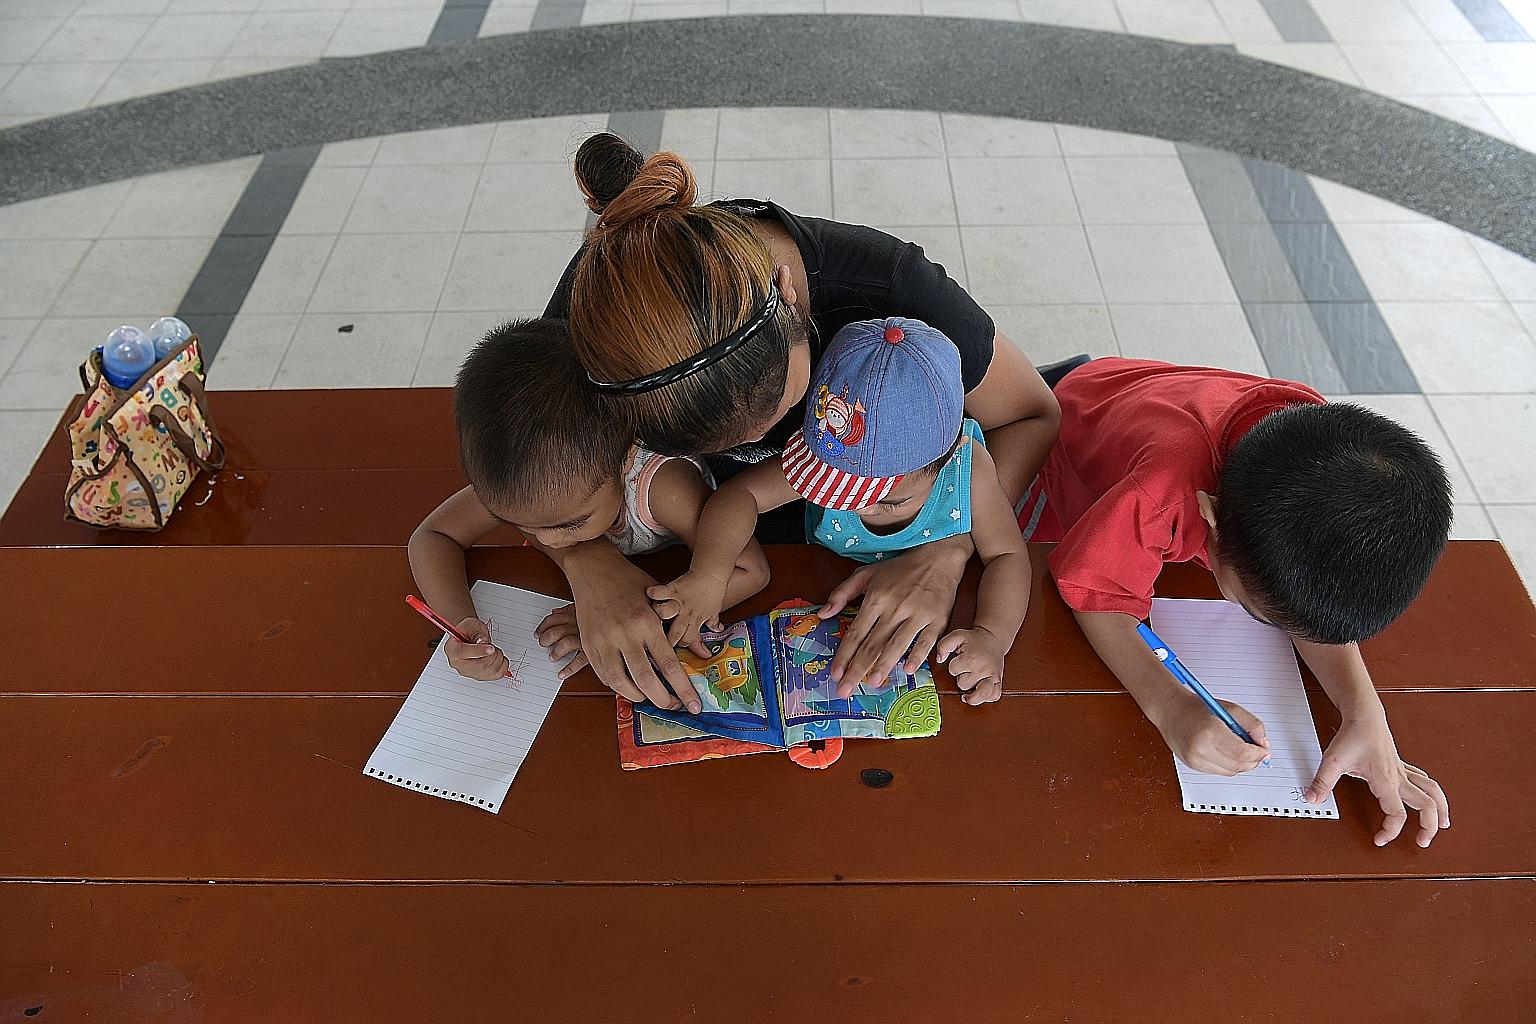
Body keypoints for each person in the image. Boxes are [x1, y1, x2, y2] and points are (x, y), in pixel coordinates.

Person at [533, 133, 1061, 713]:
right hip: (684, 553)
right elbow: (520, 474)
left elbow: (1033, 415)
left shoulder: (895, 296)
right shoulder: (594, 321)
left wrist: (948, 545)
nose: (761, 448)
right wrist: (589, 564)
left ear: (789, 294)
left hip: (812, 571)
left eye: (786, 409)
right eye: (694, 441)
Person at [1015, 358, 1453, 848]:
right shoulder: (1159, 492)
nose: (1282, 629)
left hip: (1142, 398)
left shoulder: (1328, 461)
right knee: (1020, 558)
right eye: (1258, 612)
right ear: (1210, 519)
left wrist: (1364, 712)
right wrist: (1170, 706)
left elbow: (1307, 607)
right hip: (1062, 441)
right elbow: (1097, 595)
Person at [652, 318, 1031, 707]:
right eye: (832, 484)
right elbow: (740, 495)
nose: (856, 505)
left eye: (884, 499)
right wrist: (710, 575)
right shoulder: (832, 446)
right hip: (816, 590)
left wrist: (992, 636)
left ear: (947, 456)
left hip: (932, 620)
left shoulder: (970, 471)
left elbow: (1007, 556)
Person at [408, 317, 768, 710]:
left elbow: (749, 570)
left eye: (571, 524)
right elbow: (433, 538)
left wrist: (630, 618)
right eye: (525, 525)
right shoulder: (526, 482)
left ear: (627, 456)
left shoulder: (661, 487)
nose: (547, 541)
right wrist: (459, 624)